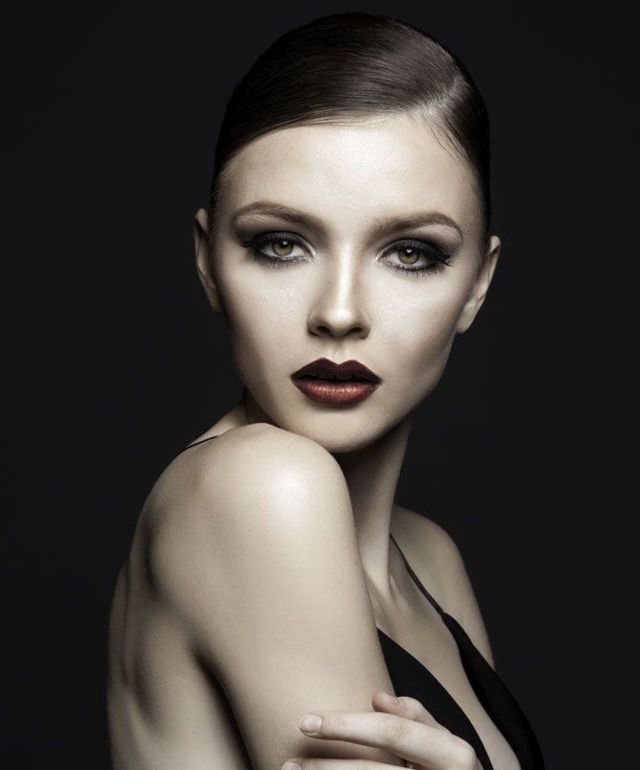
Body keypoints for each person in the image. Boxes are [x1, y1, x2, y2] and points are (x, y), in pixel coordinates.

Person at [108, 12, 545, 770]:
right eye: (280, 244)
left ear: (477, 284)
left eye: (410, 253)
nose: (339, 312)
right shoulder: (260, 487)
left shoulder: (430, 558)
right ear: (209, 262)